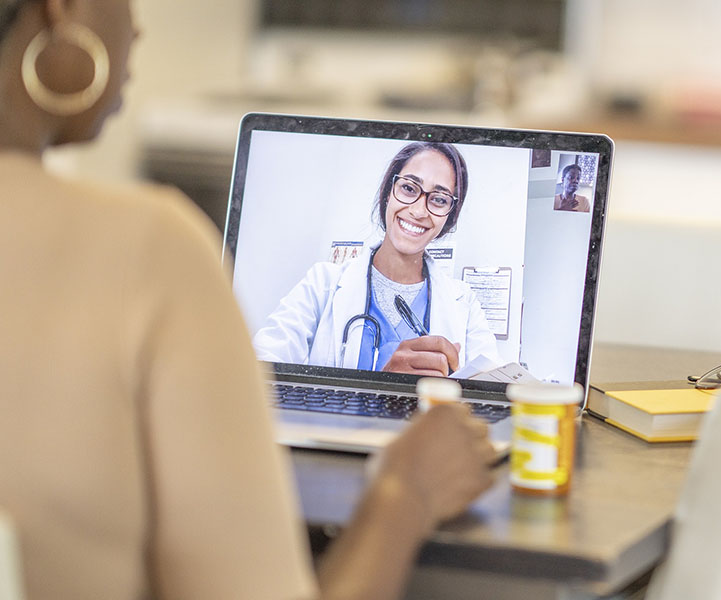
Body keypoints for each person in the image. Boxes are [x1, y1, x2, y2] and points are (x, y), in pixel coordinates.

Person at [0, 1, 496, 600]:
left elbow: (495, 380)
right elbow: (263, 362)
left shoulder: (461, 299)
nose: (135, 26)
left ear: (449, 220)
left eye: (438, 200)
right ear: (62, 11)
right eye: (409, 187)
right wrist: (406, 487)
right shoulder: (157, 249)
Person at [253, 142, 502, 376]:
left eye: (438, 199)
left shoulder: (465, 304)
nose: (418, 210)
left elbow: (490, 387)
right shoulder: (322, 284)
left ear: (449, 215)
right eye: (408, 188)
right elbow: (257, 371)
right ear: (388, 193)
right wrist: (384, 383)